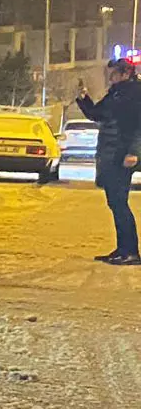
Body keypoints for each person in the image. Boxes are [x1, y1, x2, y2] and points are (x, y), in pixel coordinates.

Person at [77, 56, 141, 264]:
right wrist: (83, 98)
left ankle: (130, 252)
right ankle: (123, 249)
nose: (110, 78)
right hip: (111, 154)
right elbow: (97, 115)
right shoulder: (115, 94)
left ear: (126, 73)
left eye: (113, 74)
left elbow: (138, 126)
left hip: (122, 155)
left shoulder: (135, 93)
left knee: (119, 203)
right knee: (115, 202)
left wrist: (134, 152)